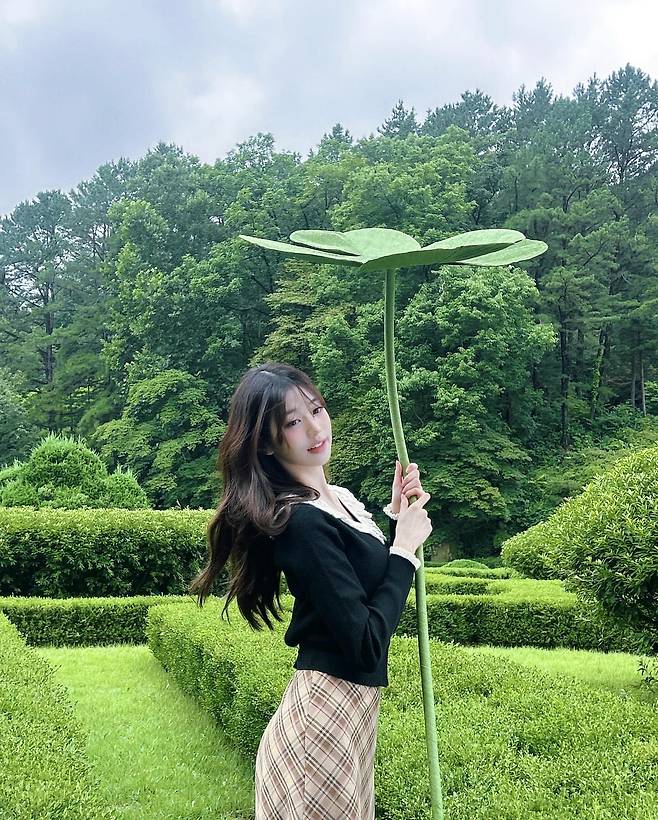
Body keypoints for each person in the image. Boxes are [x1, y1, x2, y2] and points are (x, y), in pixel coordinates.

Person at [189, 362, 432, 819]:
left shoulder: (338, 501)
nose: (316, 429)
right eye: (293, 422)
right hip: (324, 722)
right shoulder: (299, 521)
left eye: (317, 410)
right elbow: (365, 643)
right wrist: (403, 550)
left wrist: (398, 521)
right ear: (266, 441)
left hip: (349, 715)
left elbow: (357, 583)